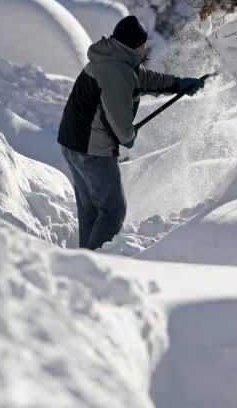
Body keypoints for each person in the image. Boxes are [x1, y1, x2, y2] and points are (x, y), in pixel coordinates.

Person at [57, 15, 205, 250]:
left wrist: (178, 84)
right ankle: (94, 264)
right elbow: (117, 113)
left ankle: (82, 260)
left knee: (92, 210)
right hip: (91, 149)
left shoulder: (113, 58)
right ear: (137, 44)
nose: (145, 47)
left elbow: (142, 79)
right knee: (113, 211)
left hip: (73, 143)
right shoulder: (115, 71)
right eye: (143, 43)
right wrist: (127, 136)